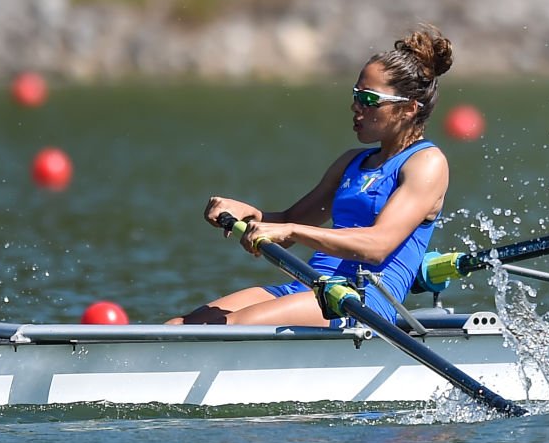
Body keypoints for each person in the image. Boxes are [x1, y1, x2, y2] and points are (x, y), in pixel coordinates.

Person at [167, 25, 453, 326]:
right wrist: (249, 214)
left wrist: (290, 230)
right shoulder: (352, 162)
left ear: (407, 109)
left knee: (233, 326)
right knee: (178, 327)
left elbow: (376, 246)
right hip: (310, 288)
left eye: (369, 100)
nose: (355, 107)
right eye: (355, 95)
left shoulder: (426, 163)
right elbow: (293, 222)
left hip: (360, 301)